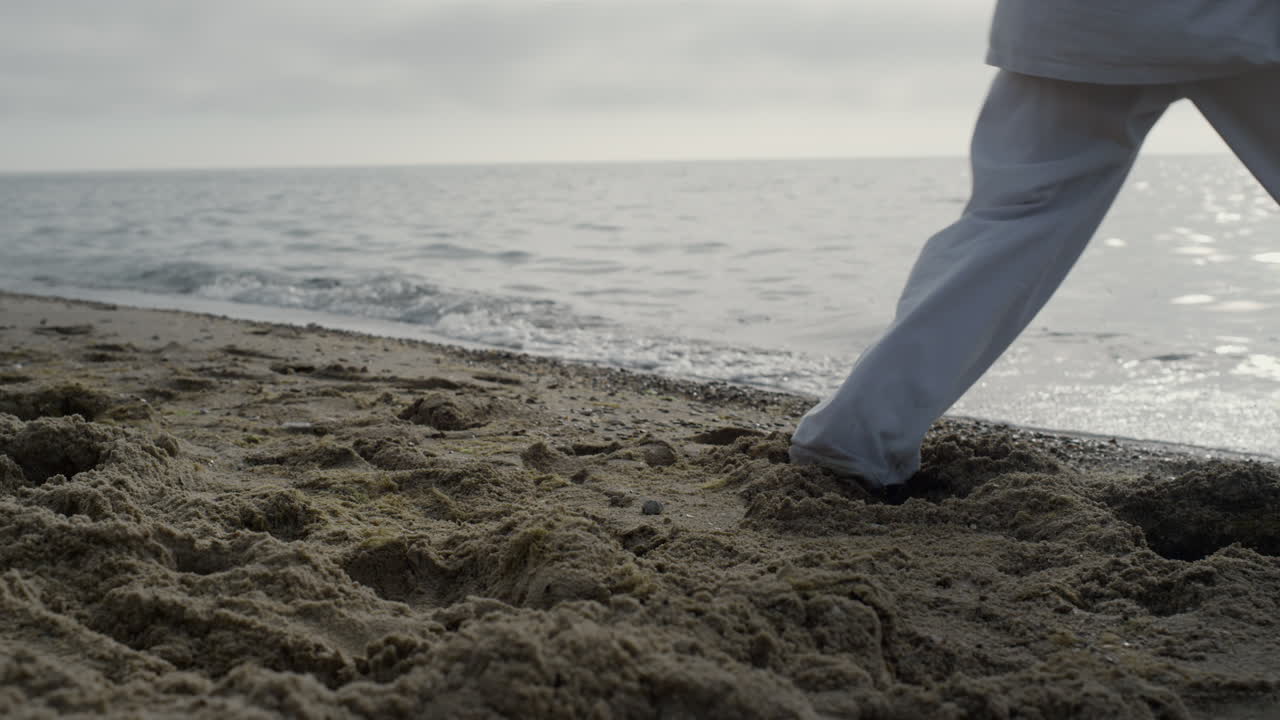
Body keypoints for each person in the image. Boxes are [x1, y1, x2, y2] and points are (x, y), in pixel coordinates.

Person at [789, 0, 1280, 497]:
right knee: (1014, 221)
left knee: (1013, 223)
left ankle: (858, 438)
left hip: (1073, 22)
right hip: (1234, 21)